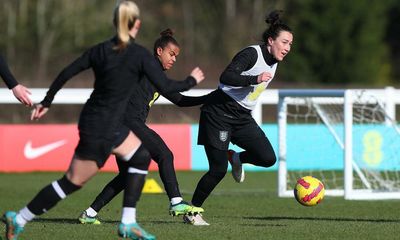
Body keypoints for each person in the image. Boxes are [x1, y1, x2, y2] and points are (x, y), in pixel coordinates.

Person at [2, 1, 204, 240]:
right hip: (107, 125)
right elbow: (170, 87)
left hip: (96, 121)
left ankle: (125, 222)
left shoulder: (100, 50)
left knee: (137, 158)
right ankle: (23, 217)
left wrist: (47, 101)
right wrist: (192, 80)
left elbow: (66, 72)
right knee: (73, 181)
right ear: (136, 24)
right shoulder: (139, 55)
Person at [78, 28, 208, 225]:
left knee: (126, 176)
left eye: (176, 56)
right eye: (171, 54)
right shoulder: (147, 67)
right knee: (165, 154)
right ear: (159, 51)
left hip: (119, 125)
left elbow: (179, 100)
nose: (174, 59)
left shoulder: (156, 76)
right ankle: (176, 201)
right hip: (128, 122)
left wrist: (211, 98)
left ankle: (89, 213)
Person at [184, 10, 293, 226]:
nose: (288, 48)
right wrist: (254, 78)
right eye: (285, 42)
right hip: (218, 113)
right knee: (217, 170)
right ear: (270, 40)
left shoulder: (275, 59)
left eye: (290, 44)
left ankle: (237, 158)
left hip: (242, 117)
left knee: (267, 158)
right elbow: (226, 77)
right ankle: (192, 211)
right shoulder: (251, 54)